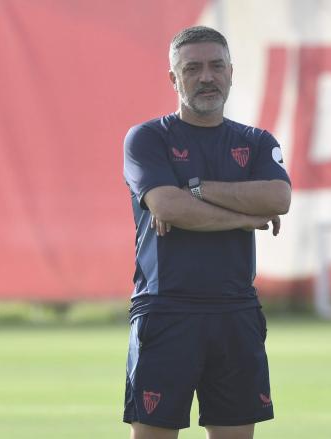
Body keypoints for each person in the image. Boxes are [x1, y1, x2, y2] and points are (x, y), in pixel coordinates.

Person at [122, 26, 291, 439]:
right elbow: (166, 206)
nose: (206, 77)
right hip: (165, 311)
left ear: (232, 72)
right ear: (173, 78)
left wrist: (195, 190)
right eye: (192, 68)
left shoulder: (254, 142)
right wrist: (243, 215)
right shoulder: (147, 139)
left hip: (235, 312)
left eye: (216, 66)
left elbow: (278, 198)